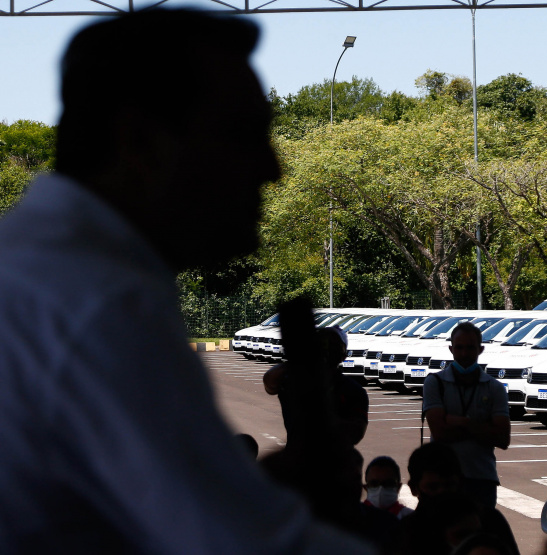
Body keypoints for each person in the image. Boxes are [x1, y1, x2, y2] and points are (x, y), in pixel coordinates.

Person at [0, 10, 368, 553]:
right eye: (240, 135)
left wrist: (258, 488)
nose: (272, 169)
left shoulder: (42, 267)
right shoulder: (104, 303)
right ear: (139, 143)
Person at [422, 322, 511, 509]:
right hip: (442, 480)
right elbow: (439, 433)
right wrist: (483, 428)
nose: (464, 354)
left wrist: (461, 422)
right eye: (459, 348)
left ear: (480, 349)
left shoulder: (494, 387)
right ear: (451, 349)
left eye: (470, 348)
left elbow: (503, 439)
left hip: (481, 480)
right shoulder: (435, 382)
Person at [397, 442, 519, 555]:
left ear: (461, 483)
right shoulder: (408, 531)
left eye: (449, 485)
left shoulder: (489, 520)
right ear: (414, 488)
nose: (442, 493)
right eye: (433, 487)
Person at [264, 326, 369, 446]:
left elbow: (355, 432)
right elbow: (269, 382)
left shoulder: (352, 390)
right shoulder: (296, 382)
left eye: (331, 348)